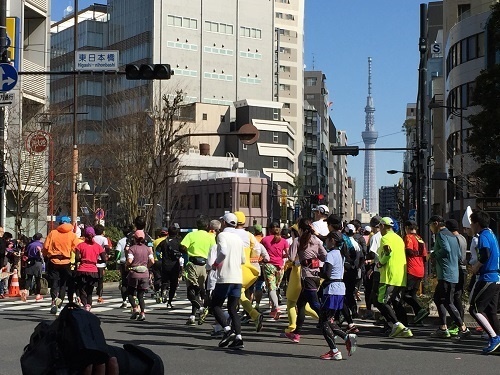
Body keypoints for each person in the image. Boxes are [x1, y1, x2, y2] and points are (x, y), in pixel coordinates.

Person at [283, 218, 327, 343]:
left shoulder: (298, 240)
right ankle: (296, 333)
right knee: (301, 304)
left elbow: (291, 258)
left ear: (300, 229)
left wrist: (298, 256)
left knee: (315, 304)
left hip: (307, 277)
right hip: (317, 275)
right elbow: (324, 256)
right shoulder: (317, 241)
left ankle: (330, 324)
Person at [427, 215, 470, 338]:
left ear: (435, 223)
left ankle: (463, 328)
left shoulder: (441, 234)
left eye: (430, 225)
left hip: (446, 273)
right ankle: (443, 327)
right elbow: (457, 254)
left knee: (448, 301)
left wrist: (434, 254)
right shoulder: (453, 236)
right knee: (438, 299)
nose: (430, 228)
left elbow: (446, 250)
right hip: (453, 272)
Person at [318, 231, 357, 360]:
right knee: (329, 319)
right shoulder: (341, 254)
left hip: (331, 290)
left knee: (324, 321)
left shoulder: (330, 255)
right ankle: (346, 337)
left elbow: (327, 274)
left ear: (333, 241)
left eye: (327, 240)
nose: (326, 242)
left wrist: (317, 272)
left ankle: (334, 350)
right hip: (340, 289)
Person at [211, 213, 246, 349]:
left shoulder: (222, 235)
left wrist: (216, 263)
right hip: (238, 277)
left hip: (225, 277)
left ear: (224, 223)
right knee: (232, 309)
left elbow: (224, 252)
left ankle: (227, 330)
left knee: (215, 305)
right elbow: (243, 259)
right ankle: (238, 337)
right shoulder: (238, 238)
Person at [468, 210, 500, 354]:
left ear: (477, 224)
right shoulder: (492, 234)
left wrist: (476, 266)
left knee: (474, 309)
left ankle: (494, 337)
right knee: (490, 310)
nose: (471, 226)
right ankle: (497, 338)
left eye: (471, 223)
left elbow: (485, 254)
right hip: (496, 278)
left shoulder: (483, 236)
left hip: (487, 277)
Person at [376, 217, 413, 338]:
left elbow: (388, 252)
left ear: (382, 226)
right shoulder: (399, 238)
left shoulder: (385, 238)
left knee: (382, 301)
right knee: (396, 302)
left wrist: (380, 263)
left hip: (388, 275)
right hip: (400, 276)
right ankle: (405, 328)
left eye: (379, 227)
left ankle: (397, 325)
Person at [180, 215, 215, 325]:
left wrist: (188, 252)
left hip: (193, 264)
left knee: (191, 291)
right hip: (205, 266)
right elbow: (214, 250)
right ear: (207, 226)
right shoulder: (211, 237)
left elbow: (182, 247)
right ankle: (193, 316)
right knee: (200, 290)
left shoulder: (191, 235)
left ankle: (200, 309)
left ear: (197, 225)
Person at [42, 216, 80, 314]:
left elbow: (45, 247)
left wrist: (45, 256)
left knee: (54, 282)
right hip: (66, 261)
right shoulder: (72, 235)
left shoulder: (53, 233)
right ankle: (60, 303)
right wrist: (77, 260)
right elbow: (76, 248)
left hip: (53, 260)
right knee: (63, 284)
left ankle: (54, 301)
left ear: (59, 223)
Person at [402, 220, 429, 324]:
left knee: (405, 295)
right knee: (412, 295)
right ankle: (419, 318)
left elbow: (408, 250)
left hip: (412, 269)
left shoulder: (409, 237)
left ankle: (420, 310)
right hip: (420, 269)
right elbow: (425, 257)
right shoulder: (420, 239)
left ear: (407, 228)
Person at [75, 227, 108, 312]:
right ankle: (88, 306)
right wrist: (96, 260)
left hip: (82, 270)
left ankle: (85, 304)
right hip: (93, 270)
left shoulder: (80, 245)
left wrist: (82, 259)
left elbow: (76, 258)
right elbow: (104, 259)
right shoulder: (98, 247)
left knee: (81, 289)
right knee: (90, 290)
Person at [261, 221, 289, 319]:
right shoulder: (284, 241)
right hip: (280, 267)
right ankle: (273, 309)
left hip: (269, 265)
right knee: (275, 287)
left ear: (269, 229)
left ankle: (276, 307)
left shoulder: (265, 240)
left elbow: (261, 252)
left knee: (271, 288)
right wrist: (281, 255)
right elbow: (288, 254)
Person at [445, 218, 468, 333]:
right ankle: (460, 322)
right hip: (463, 269)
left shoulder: (453, 239)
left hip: (457, 269)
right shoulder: (462, 238)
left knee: (454, 297)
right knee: (458, 296)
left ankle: (458, 323)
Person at [127, 230, 154, 321]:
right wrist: (146, 266)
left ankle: (135, 308)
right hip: (145, 273)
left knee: (130, 293)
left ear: (134, 238)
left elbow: (130, 261)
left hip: (134, 273)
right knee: (141, 295)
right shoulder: (147, 249)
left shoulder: (132, 248)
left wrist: (128, 265)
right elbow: (152, 261)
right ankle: (142, 313)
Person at [158, 224, 183, 309]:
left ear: (168, 232)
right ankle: (170, 302)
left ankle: (163, 291)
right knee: (173, 284)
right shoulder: (178, 242)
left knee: (164, 281)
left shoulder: (164, 242)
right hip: (175, 265)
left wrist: (160, 258)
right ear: (176, 233)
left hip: (165, 264)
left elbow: (157, 251)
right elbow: (184, 252)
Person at [115, 225, 134, 308]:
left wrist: (117, 260)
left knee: (124, 282)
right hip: (133, 263)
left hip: (123, 263)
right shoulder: (134, 240)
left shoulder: (121, 241)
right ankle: (134, 298)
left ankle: (124, 301)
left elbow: (117, 252)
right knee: (133, 282)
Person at [23, 233, 45, 301]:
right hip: (37, 263)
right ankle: (38, 295)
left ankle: (25, 292)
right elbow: (42, 255)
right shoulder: (41, 245)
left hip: (30, 262)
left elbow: (25, 253)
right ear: (40, 238)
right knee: (38, 279)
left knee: (29, 278)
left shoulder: (30, 245)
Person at [93, 224, 110, 303]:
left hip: (92, 261)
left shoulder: (92, 238)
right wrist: (107, 255)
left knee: (91, 279)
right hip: (101, 262)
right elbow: (107, 247)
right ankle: (100, 296)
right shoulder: (104, 239)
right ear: (102, 231)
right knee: (100, 280)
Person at [152, 228, 168, 303]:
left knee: (157, 277)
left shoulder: (155, 241)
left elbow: (152, 250)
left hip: (156, 261)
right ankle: (164, 290)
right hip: (165, 261)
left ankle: (157, 291)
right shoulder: (168, 241)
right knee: (165, 277)